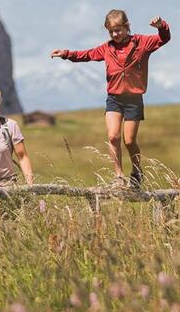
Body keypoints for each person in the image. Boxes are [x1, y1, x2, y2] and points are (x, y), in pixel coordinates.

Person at [50, 11, 171, 187]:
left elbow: (164, 38)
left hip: (133, 100)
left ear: (127, 26)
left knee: (129, 140)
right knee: (113, 136)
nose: (115, 34)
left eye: (118, 30)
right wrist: (67, 53)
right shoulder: (107, 48)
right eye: (111, 31)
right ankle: (119, 176)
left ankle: (137, 172)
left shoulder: (142, 42)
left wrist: (161, 26)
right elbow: (87, 54)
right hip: (114, 99)